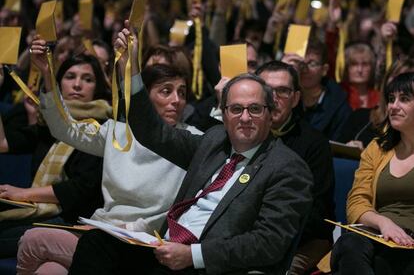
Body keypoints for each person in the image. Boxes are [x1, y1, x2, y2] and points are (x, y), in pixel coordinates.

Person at [69, 26, 313, 274]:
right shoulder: (215, 140)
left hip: (209, 264)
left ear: (270, 115)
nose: (245, 118)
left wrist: (193, 255)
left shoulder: (287, 168)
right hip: (166, 247)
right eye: (236, 109)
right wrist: (130, 68)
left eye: (255, 109)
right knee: (97, 244)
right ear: (224, 114)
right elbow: (154, 133)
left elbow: (268, 243)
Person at [16, 33, 201, 274]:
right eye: (166, 91)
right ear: (144, 98)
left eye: (182, 93)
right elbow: (65, 129)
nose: (177, 100)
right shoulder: (119, 132)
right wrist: (48, 74)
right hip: (102, 232)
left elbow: (180, 208)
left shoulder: (193, 139)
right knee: (48, 269)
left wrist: (134, 227)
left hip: (143, 245)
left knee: (34, 241)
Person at [0, 53, 109, 258]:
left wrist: (23, 194)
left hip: (72, 220)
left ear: (98, 88)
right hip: (38, 213)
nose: (77, 85)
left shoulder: (102, 129)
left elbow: (80, 189)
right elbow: (3, 144)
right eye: (70, 77)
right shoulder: (48, 125)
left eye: (87, 79)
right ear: (58, 84)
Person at [255, 61, 335, 275]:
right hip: (248, 236)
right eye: (266, 90)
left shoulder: (314, 144)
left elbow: (316, 212)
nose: (273, 98)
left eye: (282, 91)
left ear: (296, 98)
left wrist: (262, 236)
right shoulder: (242, 135)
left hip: (300, 240)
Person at [331, 72, 414, 275]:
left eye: (404, 99)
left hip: (410, 245)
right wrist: (384, 223)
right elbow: (357, 202)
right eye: (391, 99)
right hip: (377, 236)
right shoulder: (377, 148)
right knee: (349, 244)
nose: (393, 106)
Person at [282, 39, 352, 141]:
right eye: (300, 64)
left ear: (324, 70)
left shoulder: (339, 105)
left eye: (312, 64)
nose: (305, 69)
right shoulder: (287, 97)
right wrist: (284, 71)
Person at [342, 43, 379, 110]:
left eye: (365, 64)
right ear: (346, 67)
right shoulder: (338, 94)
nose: (360, 70)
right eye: (354, 64)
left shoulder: (379, 97)